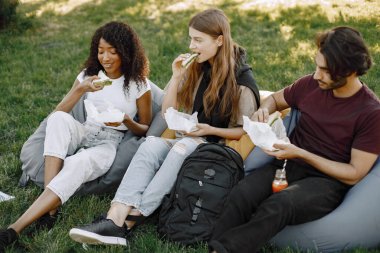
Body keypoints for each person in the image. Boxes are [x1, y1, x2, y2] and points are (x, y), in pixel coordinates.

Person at [68, 8, 260, 246]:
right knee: (150, 144)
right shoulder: (198, 67)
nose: (191, 45)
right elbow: (168, 112)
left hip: (214, 147)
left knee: (180, 149)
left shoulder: (242, 82)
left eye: (198, 40)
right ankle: (114, 216)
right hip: (189, 136)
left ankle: (132, 219)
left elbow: (243, 131)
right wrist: (177, 76)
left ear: (219, 40)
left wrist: (208, 130)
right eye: (191, 38)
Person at [208, 26, 380, 253]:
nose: (316, 74)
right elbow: (276, 100)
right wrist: (264, 110)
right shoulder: (310, 84)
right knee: (243, 192)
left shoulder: (370, 113)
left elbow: (354, 173)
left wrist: (300, 153)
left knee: (281, 204)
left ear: (349, 71)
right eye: (317, 66)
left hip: (326, 181)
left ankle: (223, 249)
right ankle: (212, 241)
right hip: (288, 164)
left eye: (324, 70)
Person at [0, 21, 152, 251]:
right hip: (85, 129)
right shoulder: (88, 76)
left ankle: (15, 228)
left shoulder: (139, 85)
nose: (106, 58)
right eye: (101, 51)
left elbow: (146, 127)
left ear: (126, 52)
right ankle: (49, 208)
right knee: (58, 120)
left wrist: (126, 121)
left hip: (109, 142)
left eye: (113, 51)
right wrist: (80, 89)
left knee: (78, 163)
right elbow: (58, 112)